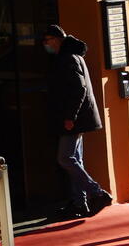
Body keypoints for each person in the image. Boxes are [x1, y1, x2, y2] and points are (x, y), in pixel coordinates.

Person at [42, 24, 111, 219]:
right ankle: (80, 203)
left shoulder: (68, 58)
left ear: (56, 39)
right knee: (75, 159)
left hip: (72, 119)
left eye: (47, 41)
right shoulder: (72, 56)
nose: (46, 45)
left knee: (65, 158)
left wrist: (70, 116)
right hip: (75, 118)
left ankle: (97, 193)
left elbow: (78, 89)